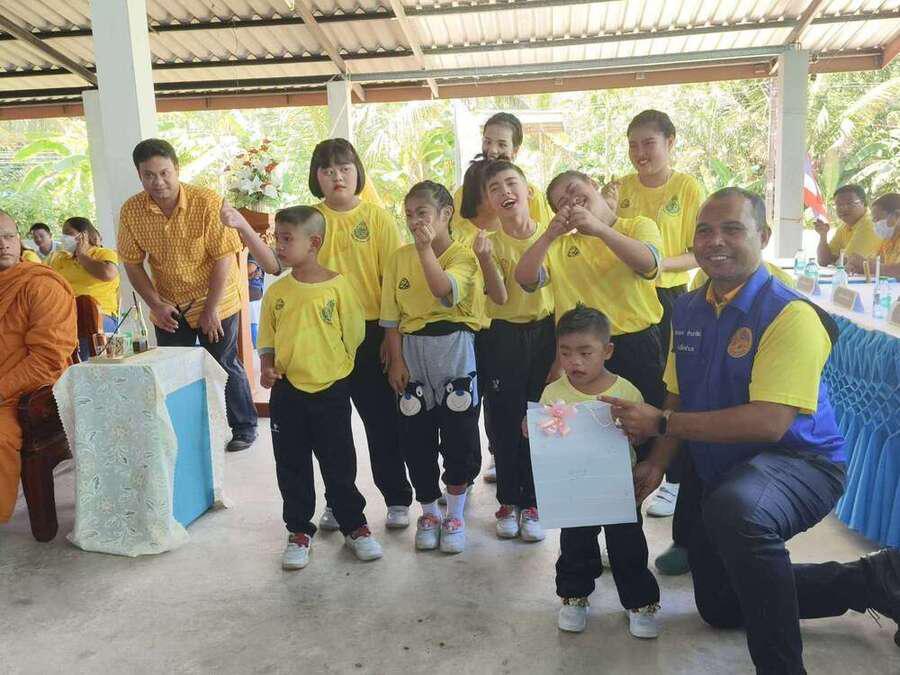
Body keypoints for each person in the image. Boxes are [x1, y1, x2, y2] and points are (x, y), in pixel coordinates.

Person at [608, 187, 900, 674]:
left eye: (732, 229)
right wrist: (657, 461)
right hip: (722, 466)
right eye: (704, 231)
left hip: (801, 462)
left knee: (738, 509)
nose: (715, 241)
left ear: (762, 236)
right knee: (721, 604)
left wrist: (660, 422)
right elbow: (678, 392)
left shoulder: (790, 313)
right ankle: (875, 580)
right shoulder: (689, 308)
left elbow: (769, 421)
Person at [257, 205, 382, 570]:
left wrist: (334, 365)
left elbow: (353, 334)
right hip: (288, 393)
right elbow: (267, 339)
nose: (278, 246)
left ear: (313, 242)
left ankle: (354, 525)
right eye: (276, 238)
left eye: (286, 239)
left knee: (339, 461)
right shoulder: (277, 292)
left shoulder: (339, 286)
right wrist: (267, 367)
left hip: (331, 391)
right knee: (291, 464)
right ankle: (298, 530)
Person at [117, 138, 258, 453]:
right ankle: (185, 432)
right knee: (173, 368)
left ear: (177, 169)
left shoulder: (206, 202)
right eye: (149, 175)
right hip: (169, 304)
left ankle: (244, 427)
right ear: (139, 175)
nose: (158, 182)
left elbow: (224, 258)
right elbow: (132, 263)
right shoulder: (131, 211)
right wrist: (156, 304)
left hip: (217, 298)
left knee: (222, 362)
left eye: (164, 173)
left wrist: (210, 309)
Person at [531, 306, 660, 637]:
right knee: (575, 545)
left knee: (628, 546)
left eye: (585, 353)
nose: (574, 362)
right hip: (574, 487)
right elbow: (546, 434)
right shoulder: (554, 393)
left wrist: (634, 433)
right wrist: (532, 428)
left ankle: (640, 603)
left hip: (619, 486)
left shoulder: (626, 392)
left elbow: (643, 435)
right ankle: (574, 596)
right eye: (565, 353)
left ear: (607, 350)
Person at [609, 110, 704, 526]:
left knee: (674, 384)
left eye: (648, 143)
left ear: (670, 142)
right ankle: (634, 466)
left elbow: (697, 251)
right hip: (629, 297)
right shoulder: (620, 188)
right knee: (637, 386)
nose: (640, 152)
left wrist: (655, 263)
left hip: (670, 295)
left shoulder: (686, 187)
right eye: (633, 145)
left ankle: (673, 478)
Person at [380, 181, 481, 554]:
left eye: (422, 213)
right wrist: (396, 359)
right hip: (413, 350)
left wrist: (425, 250)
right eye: (408, 214)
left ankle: (454, 514)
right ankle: (428, 513)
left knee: (459, 434)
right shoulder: (398, 258)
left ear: (445, 214)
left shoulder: (463, 256)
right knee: (415, 436)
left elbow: (442, 289)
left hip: (455, 348)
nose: (414, 221)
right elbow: (391, 317)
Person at [515, 170, 666, 416]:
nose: (571, 200)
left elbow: (649, 264)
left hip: (637, 344)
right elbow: (525, 278)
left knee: (642, 423)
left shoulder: (638, 225)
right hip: (582, 351)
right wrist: (549, 235)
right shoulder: (559, 246)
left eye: (573, 189)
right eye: (562, 202)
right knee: (586, 425)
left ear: (592, 183)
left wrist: (599, 229)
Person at [479, 160, 555, 541]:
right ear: (490, 201)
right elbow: (498, 296)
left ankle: (534, 502)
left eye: (511, 183)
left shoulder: (551, 235)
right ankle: (509, 500)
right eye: (495, 188)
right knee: (505, 420)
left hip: (546, 334)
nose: (505, 192)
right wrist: (483, 258)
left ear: (528, 191)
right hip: (503, 335)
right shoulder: (488, 243)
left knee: (540, 417)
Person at [0, 210, 77, 524]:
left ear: (19, 240)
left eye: (8, 236)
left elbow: (47, 360)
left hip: (25, 397)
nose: (2, 244)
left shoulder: (40, 285)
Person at [49, 217, 120, 360]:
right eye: (63, 234)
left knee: (84, 320)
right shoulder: (60, 258)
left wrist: (81, 256)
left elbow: (108, 274)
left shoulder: (102, 254)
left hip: (101, 315)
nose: (64, 238)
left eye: (68, 233)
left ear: (84, 235)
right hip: (66, 315)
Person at [815, 184, 881, 266]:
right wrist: (823, 236)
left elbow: (845, 263)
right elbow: (823, 261)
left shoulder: (870, 225)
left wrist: (835, 259)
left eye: (849, 203)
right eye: (839, 205)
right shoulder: (844, 225)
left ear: (863, 203)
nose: (843, 208)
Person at [846, 192, 900, 277]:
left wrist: (868, 265)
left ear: (897, 215)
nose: (875, 224)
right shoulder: (887, 242)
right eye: (873, 220)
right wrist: (860, 268)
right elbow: (881, 267)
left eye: (877, 219)